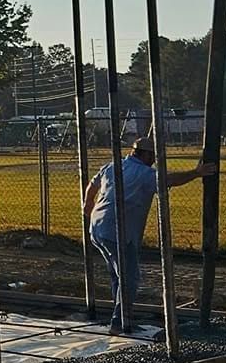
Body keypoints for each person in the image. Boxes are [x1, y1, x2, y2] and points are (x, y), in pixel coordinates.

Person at [83, 135, 216, 336]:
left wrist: (88, 205)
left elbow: (93, 185)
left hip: (98, 228)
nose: (155, 160)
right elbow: (169, 180)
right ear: (145, 154)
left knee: (118, 276)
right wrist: (197, 173)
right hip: (118, 233)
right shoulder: (144, 174)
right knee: (130, 278)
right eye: (153, 156)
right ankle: (120, 322)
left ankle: (121, 317)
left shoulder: (114, 166)